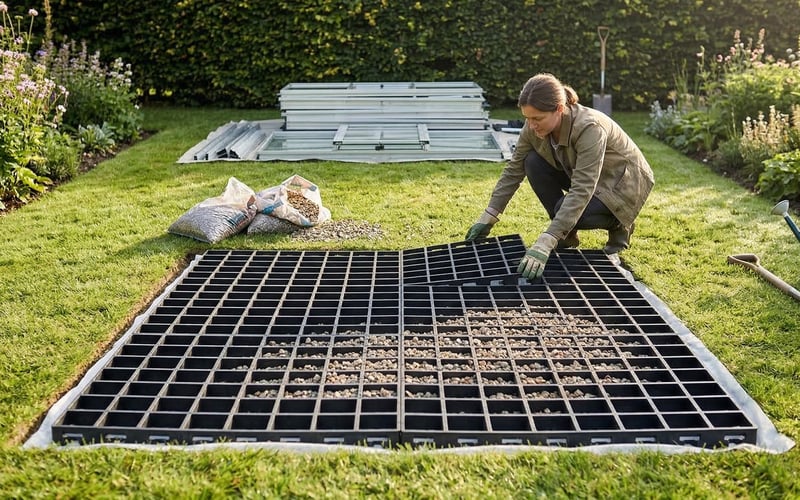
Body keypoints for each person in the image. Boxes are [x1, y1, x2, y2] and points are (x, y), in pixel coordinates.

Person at [465, 73, 654, 280]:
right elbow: (514, 169)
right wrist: (490, 214)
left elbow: (583, 187)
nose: (531, 125)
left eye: (537, 118)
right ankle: (567, 235)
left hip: (624, 183)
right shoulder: (532, 126)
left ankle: (619, 224)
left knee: (565, 209)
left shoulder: (590, 128)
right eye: (527, 118)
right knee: (531, 162)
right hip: (584, 173)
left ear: (559, 109)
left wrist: (548, 238)